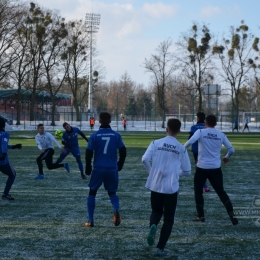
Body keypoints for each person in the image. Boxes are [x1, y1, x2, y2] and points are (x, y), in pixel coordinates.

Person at [142, 118, 191, 256]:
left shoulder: (155, 143)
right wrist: (176, 173)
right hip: (171, 188)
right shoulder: (181, 148)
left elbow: (144, 159)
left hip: (156, 185)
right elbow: (187, 172)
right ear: (179, 131)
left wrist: (152, 172)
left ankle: (153, 225)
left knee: (156, 211)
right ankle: (160, 248)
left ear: (166, 129)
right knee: (169, 219)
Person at [184, 114, 238, 225]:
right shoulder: (221, 134)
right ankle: (231, 214)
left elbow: (189, 142)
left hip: (202, 167)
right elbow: (231, 150)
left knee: (198, 192)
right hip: (215, 168)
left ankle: (201, 216)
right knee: (221, 192)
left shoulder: (200, 132)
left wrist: (180, 151)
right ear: (216, 124)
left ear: (205, 123)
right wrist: (226, 157)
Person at [84, 112, 126, 227]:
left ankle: (91, 220)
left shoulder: (95, 135)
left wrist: (88, 166)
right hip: (112, 169)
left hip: (98, 168)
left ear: (99, 121)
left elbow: (88, 152)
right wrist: (120, 164)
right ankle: (116, 209)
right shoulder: (116, 135)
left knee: (92, 192)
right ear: (110, 121)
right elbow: (123, 151)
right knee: (112, 192)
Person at [0, 118, 22, 200]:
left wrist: (14, 146)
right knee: (12, 175)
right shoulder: (4, 134)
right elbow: (4, 145)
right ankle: (5, 194)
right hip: (2, 161)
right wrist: (3, 154)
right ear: (3, 126)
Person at [189, 112, 210, 192]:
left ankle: (204, 186)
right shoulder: (206, 127)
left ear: (197, 118)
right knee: (207, 167)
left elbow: (190, 139)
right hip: (206, 150)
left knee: (199, 168)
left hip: (196, 150)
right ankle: (205, 185)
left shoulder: (194, 127)